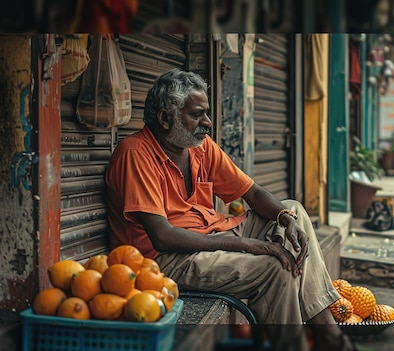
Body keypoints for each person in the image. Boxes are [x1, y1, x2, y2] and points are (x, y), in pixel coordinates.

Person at [105, 69, 355, 351]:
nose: (207, 122)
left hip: (210, 234)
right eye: (197, 114)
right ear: (165, 118)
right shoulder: (135, 154)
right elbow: (162, 237)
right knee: (274, 268)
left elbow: (253, 192)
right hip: (166, 260)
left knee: (292, 209)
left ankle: (326, 331)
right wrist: (247, 245)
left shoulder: (200, 148)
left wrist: (285, 219)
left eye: (206, 113)